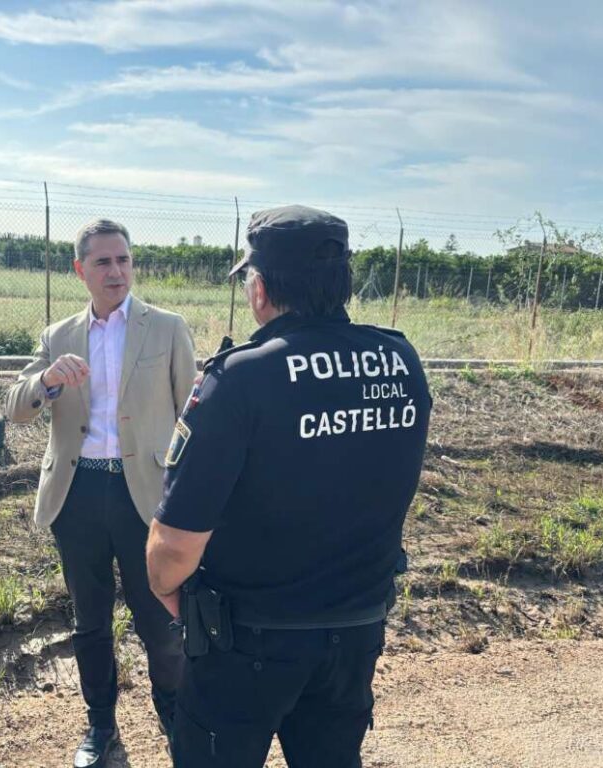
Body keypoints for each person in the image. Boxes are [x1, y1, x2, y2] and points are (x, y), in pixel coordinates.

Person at [147, 204, 432, 768]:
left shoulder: (240, 377)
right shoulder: (400, 360)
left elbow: (175, 547)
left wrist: (166, 590)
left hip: (247, 642)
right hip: (355, 631)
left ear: (260, 287)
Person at [6, 219, 196, 767]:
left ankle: (178, 726)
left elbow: (192, 417)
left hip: (148, 498)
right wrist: (47, 381)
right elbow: (16, 406)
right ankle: (101, 730)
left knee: (161, 623)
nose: (116, 271)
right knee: (89, 623)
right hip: (79, 494)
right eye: (103, 262)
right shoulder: (58, 336)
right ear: (80, 270)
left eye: (124, 260)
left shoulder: (167, 327)